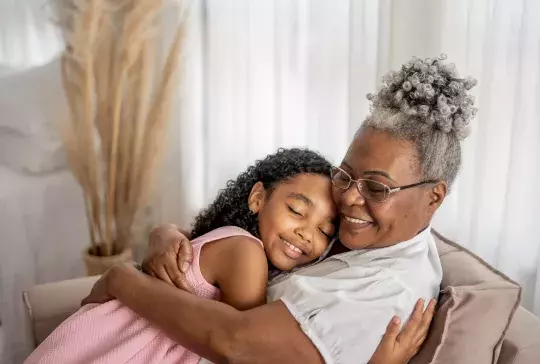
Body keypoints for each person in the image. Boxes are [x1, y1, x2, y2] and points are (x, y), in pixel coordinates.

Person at [81, 54, 478, 363]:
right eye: (345, 175)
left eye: (377, 186)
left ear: (434, 197)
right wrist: (168, 234)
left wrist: (122, 280)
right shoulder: (371, 238)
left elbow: (236, 344)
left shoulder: (383, 294)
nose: (350, 199)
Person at [24, 149, 420, 364]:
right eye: (297, 211)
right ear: (258, 198)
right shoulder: (246, 254)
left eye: (324, 231)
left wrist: (164, 232)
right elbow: (243, 352)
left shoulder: (233, 244)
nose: (305, 232)